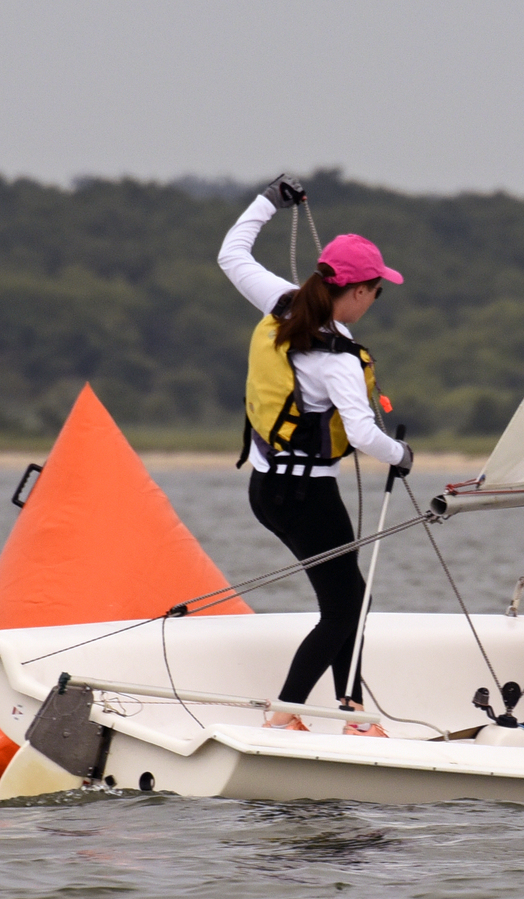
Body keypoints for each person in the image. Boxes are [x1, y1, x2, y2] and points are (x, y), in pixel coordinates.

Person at [218, 174, 412, 734]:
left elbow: (231, 254)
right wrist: (403, 455)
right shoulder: (338, 359)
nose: (375, 301)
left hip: (268, 488)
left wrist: (268, 201)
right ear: (357, 291)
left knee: (348, 594)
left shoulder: (282, 301)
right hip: (305, 494)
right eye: (377, 291)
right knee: (347, 603)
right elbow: (366, 436)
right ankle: (288, 712)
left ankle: (350, 710)